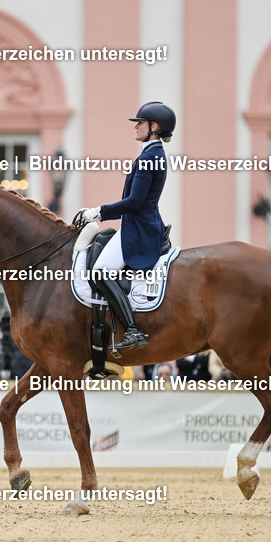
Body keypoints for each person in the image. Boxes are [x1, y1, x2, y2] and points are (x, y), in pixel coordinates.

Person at [79, 101, 175, 353]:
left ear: (154, 127)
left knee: (99, 272)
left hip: (140, 229)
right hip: (138, 225)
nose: (136, 128)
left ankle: (132, 329)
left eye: (140, 123)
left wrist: (99, 211)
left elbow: (134, 202)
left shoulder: (150, 158)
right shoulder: (150, 154)